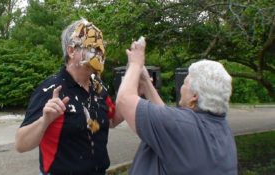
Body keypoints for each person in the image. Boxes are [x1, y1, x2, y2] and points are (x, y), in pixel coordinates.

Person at [15, 18, 123, 175]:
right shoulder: (51, 89)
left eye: (101, 48)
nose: (100, 53)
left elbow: (111, 120)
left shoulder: (99, 87)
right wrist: (45, 120)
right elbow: (20, 144)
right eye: (92, 47)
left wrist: (134, 95)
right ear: (72, 50)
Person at [116, 37, 238, 175]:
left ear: (194, 97)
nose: (181, 88)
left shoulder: (181, 125)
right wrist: (145, 81)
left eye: (185, 83)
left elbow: (124, 100)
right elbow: (169, 122)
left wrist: (135, 64)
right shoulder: (223, 130)